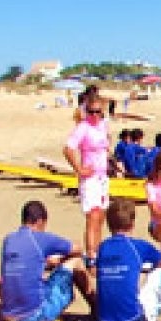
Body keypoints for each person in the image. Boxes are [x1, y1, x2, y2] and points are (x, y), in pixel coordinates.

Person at [0, 200, 95, 321]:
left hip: (7, 313)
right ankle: (96, 308)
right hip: (32, 315)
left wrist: (50, 262)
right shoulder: (40, 237)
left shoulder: (9, 239)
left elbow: (27, 265)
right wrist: (63, 259)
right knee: (76, 261)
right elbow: (77, 248)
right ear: (40, 221)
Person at [63, 95, 111, 267]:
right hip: (89, 178)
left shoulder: (103, 125)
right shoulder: (83, 128)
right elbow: (68, 149)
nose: (95, 115)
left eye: (98, 112)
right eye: (91, 112)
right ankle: (91, 257)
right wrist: (79, 168)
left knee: (101, 216)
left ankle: (96, 254)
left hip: (103, 176)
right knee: (92, 216)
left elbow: (107, 144)